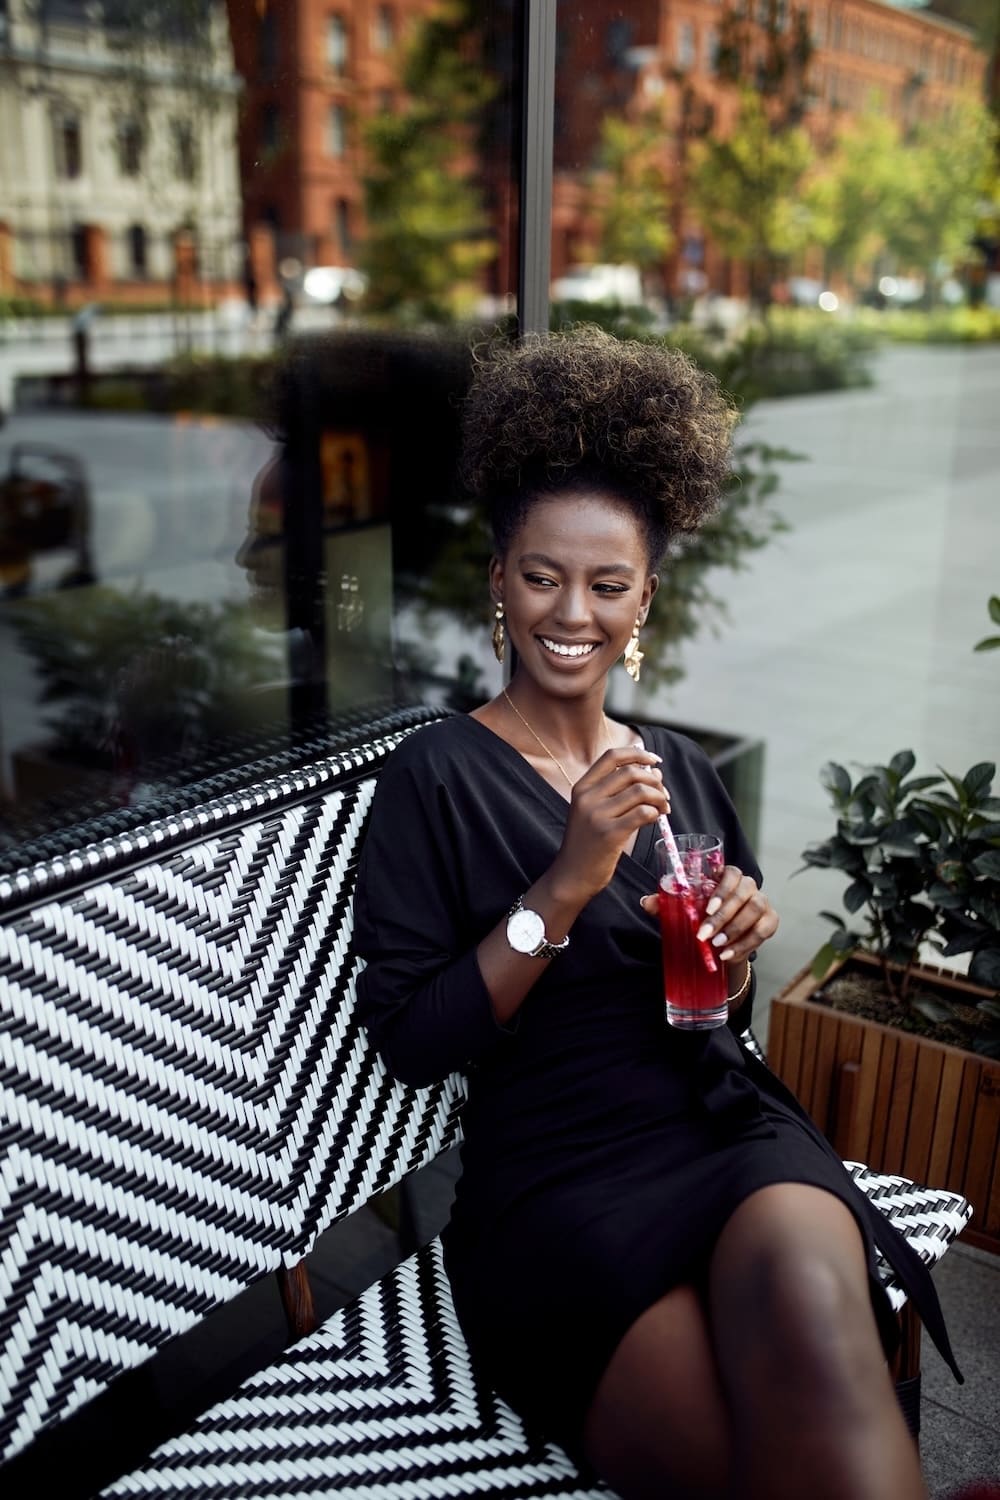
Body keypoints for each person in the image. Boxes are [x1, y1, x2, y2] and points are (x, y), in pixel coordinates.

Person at [353, 328, 960, 1500]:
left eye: (607, 583)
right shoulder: (436, 777)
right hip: (559, 1182)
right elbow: (415, 1040)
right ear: (497, 580)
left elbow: (707, 1000)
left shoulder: (675, 765)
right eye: (540, 575)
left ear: (645, 599)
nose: (570, 611)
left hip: (725, 1129)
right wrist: (564, 882)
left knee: (820, 1345)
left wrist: (733, 954)